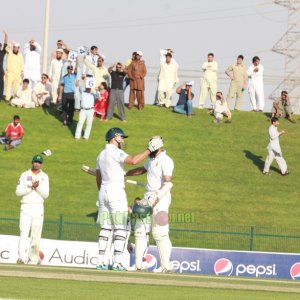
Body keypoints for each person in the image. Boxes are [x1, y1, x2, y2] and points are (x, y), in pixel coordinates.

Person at [95, 128, 163, 271]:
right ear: (115, 138)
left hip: (103, 191)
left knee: (105, 228)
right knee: (121, 227)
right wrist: (148, 150)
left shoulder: (100, 155)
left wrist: (103, 192)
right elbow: (132, 160)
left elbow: (98, 177)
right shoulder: (115, 151)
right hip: (116, 192)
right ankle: (117, 262)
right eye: (122, 137)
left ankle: (100, 261)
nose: (123, 140)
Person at [125, 136, 174, 273]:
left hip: (161, 198)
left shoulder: (166, 160)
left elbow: (168, 182)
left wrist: (157, 196)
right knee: (140, 231)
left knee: (160, 232)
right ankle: (139, 264)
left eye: (152, 146)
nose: (149, 149)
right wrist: (125, 173)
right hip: (147, 198)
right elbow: (142, 169)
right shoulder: (151, 160)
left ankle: (166, 266)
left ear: (158, 146)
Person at [16, 154, 49, 264]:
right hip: (25, 206)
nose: (37, 164)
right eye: (35, 161)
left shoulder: (45, 177)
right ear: (32, 162)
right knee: (23, 232)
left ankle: (33, 259)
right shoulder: (24, 175)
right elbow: (18, 192)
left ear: (41, 164)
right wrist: (31, 187)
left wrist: (37, 187)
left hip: (38, 207)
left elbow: (46, 195)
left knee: (36, 234)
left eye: (39, 162)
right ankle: (21, 257)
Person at [0, 31, 8, 99]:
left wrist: (6, 36)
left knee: (1, 84)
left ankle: (0, 96)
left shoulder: (2, 52)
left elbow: (5, 44)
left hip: (0, 71)